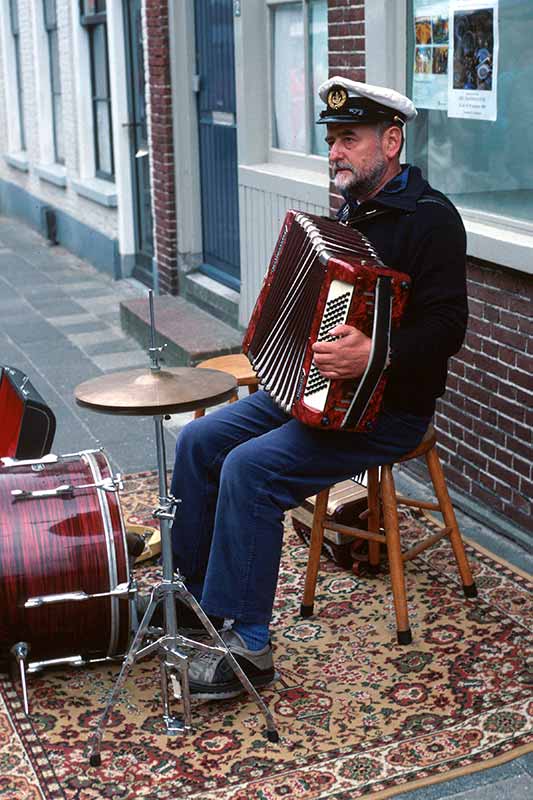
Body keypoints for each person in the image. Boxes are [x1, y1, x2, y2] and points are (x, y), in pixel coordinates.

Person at [166, 78, 468, 701]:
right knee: (198, 440)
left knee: (250, 469)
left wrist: (375, 354)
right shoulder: (352, 209)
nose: (335, 152)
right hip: (311, 393)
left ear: (391, 141)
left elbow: (447, 328)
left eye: (348, 139)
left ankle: (250, 646)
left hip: (387, 412)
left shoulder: (433, 221)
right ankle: (193, 604)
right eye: (331, 141)